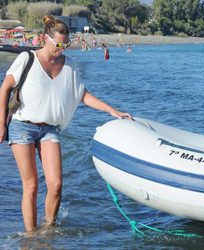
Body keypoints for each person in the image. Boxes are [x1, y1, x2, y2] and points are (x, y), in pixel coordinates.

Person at [0, 15, 131, 234]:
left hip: (49, 129)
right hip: (22, 126)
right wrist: (1, 123)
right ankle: (31, 237)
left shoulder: (68, 65)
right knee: (31, 186)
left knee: (56, 185)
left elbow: (83, 95)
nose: (61, 48)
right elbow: (4, 89)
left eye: (65, 44)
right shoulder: (27, 58)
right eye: (58, 44)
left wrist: (112, 110)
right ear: (45, 38)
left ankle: (48, 231)